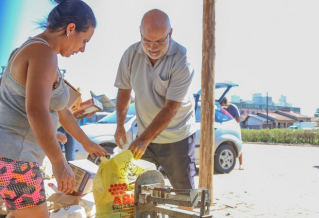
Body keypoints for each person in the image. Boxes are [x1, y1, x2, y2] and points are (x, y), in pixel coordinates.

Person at [0, 1, 107, 217]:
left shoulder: (38, 50)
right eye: (84, 40)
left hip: (13, 155)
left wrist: (85, 142)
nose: (83, 49)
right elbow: (36, 111)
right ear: (70, 29)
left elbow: (61, 111)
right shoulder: (43, 53)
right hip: (16, 158)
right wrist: (59, 163)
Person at [114, 9, 196, 203]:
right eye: (147, 41)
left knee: (184, 197)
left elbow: (170, 108)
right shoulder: (130, 54)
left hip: (178, 138)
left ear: (171, 33)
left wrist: (143, 140)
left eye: (159, 41)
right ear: (140, 33)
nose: (152, 47)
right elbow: (124, 91)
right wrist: (119, 126)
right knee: (141, 195)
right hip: (145, 138)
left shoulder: (182, 60)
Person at [220, 97, 244, 170]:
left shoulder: (233, 107)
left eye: (223, 104)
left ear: (226, 103)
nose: (223, 106)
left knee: (237, 145)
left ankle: (241, 164)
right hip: (225, 128)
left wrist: (231, 125)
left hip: (234, 128)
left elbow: (238, 119)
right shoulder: (222, 109)